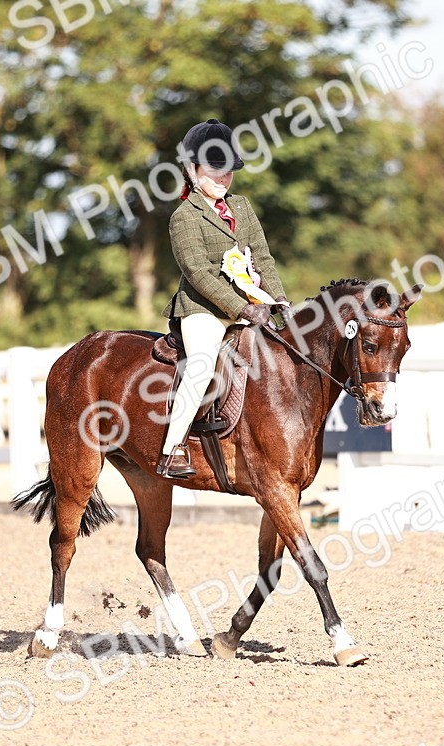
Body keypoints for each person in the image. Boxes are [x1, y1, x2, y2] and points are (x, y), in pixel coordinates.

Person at [157, 118, 289, 479]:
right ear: (191, 169)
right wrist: (241, 307)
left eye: (228, 170)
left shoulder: (242, 207)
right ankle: (173, 449)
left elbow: (261, 256)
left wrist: (278, 298)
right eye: (215, 169)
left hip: (252, 304)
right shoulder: (184, 217)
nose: (223, 178)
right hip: (204, 309)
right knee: (200, 366)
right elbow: (198, 273)